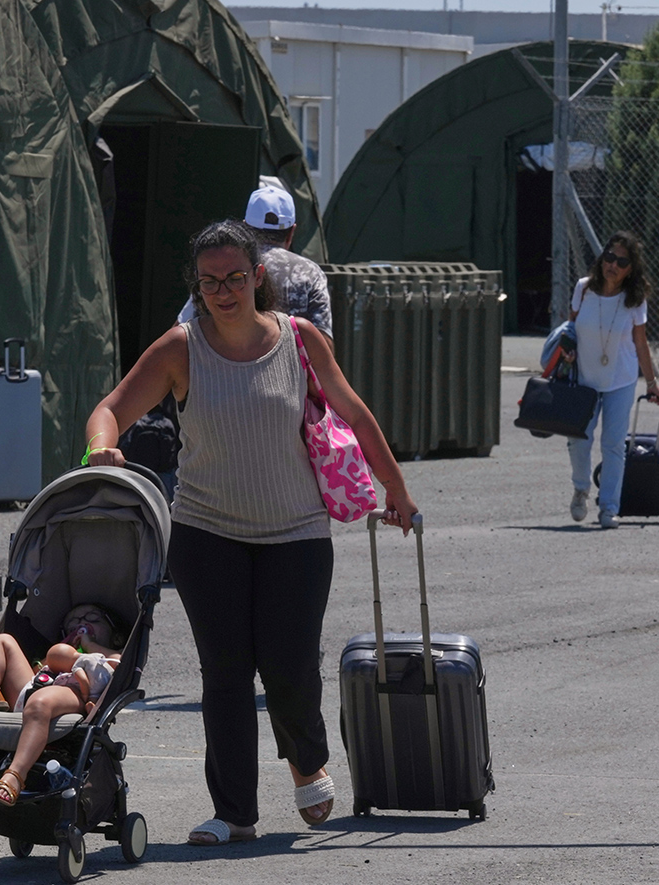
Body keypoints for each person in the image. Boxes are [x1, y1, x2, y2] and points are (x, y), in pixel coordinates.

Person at [84, 219, 418, 845]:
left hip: (296, 532)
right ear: (198, 286)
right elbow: (109, 410)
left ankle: (307, 763)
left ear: (258, 276)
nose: (224, 291)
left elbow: (353, 411)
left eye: (236, 278)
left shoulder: (301, 340)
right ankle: (234, 812)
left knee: (289, 666)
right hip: (206, 533)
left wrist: (395, 489)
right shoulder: (179, 349)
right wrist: (102, 449)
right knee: (226, 672)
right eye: (210, 282)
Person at [0, 603, 127, 807]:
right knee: (2, 640)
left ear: (116, 637)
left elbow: (119, 665)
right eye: (73, 623)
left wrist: (89, 647)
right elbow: (40, 669)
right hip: (34, 686)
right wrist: (62, 652)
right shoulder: (61, 650)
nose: (81, 624)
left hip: (75, 694)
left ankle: (15, 775)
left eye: (93, 619)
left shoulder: (113, 655)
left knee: (40, 701)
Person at [565, 231, 659, 529]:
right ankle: (581, 488)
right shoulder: (584, 289)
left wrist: (651, 382)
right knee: (578, 440)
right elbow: (570, 327)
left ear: (630, 269)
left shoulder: (634, 299)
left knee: (613, 445)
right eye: (609, 257)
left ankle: (609, 507)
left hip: (620, 378)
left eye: (621, 261)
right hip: (584, 377)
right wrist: (567, 351)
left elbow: (641, 342)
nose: (613, 265)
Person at [177, 183, 333, 350]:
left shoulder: (223, 265)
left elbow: (180, 331)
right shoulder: (310, 272)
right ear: (291, 233)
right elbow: (324, 348)